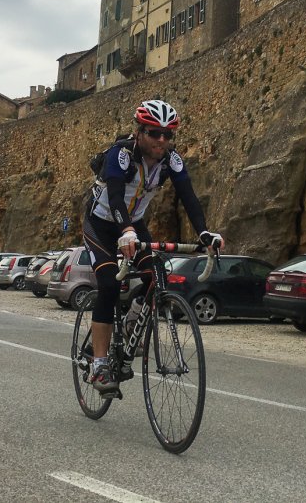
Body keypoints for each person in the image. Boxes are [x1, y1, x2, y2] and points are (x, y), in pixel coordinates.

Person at [82, 99, 223, 394]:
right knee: (108, 285)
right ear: (139, 132)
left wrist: (205, 233)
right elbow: (117, 196)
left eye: (168, 134)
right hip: (102, 223)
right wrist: (126, 230)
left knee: (155, 274)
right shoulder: (120, 155)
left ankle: (133, 323)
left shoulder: (171, 161)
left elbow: (189, 198)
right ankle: (98, 364)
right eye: (154, 132)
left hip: (134, 224)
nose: (161, 140)